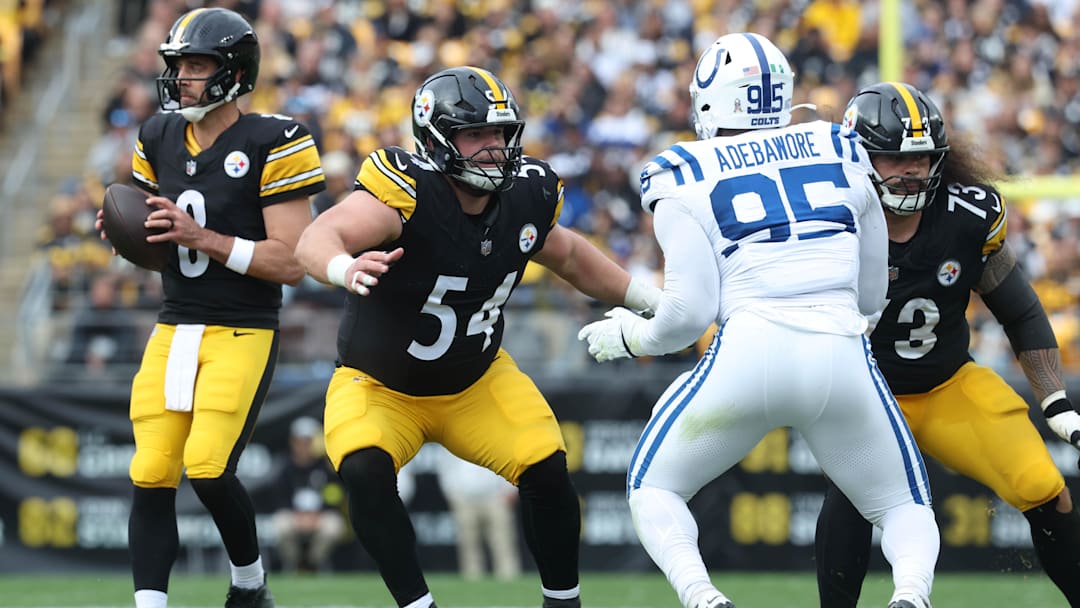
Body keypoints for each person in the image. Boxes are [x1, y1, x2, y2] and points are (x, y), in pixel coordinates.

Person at [577, 34, 940, 608]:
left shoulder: (680, 171)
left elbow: (685, 317)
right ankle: (911, 597)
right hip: (841, 352)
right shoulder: (839, 145)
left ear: (707, 102)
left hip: (747, 354)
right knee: (902, 505)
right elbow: (872, 292)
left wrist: (627, 337)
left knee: (654, 487)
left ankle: (703, 597)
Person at [292, 65, 661, 608]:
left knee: (548, 469)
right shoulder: (407, 191)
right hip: (380, 385)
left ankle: (564, 602)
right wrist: (343, 267)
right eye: (474, 134)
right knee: (365, 472)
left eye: (499, 133)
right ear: (437, 140)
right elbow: (316, 236)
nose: (492, 147)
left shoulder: (527, 196)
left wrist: (649, 301)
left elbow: (571, 256)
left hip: (476, 381)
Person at [814, 82, 1080, 608]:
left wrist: (1056, 403)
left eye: (919, 157)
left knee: (1044, 485)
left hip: (948, 383)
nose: (909, 170)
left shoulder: (965, 215)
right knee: (850, 497)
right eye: (893, 156)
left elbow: (1019, 309)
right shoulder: (827, 220)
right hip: (865, 393)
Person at [94, 7, 325, 608]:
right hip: (175, 324)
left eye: (197, 66)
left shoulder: (278, 139)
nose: (182, 78)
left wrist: (206, 239)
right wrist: (128, 237)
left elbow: (293, 263)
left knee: (208, 467)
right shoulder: (157, 135)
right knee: (149, 472)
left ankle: (249, 586)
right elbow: (160, 245)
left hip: (243, 328)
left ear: (234, 72)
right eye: (178, 66)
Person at [270, 416, 347, 574]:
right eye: (299, 441)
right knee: (280, 525)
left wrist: (318, 514)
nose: (303, 446)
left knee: (334, 526)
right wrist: (298, 516)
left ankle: (312, 564)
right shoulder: (285, 468)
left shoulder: (326, 468)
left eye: (307, 441)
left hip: (320, 516)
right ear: (293, 442)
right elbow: (280, 498)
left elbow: (335, 495)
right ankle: (295, 564)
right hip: (294, 515)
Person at [433, 445, 522, 581]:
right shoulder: (452, 432)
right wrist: (454, 495)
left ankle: (509, 579)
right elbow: (446, 467)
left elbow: (509, 461)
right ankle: (472, 580)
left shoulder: (496, 431)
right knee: (469, 543)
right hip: (464, 498)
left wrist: (510, 490)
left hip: (496, 497)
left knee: (502, 542)